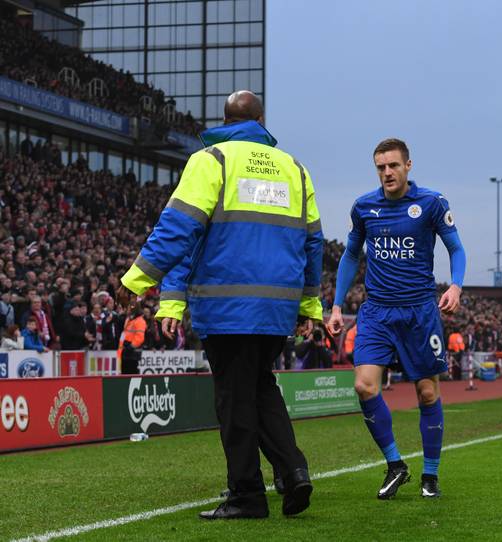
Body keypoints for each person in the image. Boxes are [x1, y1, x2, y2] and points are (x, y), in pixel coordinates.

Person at [117, 91, 320, 519]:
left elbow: (179, 230)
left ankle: (248, 494)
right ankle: (293, 471)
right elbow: (314, 243)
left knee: (235, 401)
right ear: (261, 120)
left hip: (227, 307)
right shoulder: (296, 170)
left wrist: (137, 280)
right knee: (260, 388)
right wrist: (309, 307)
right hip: (276, 309)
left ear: (223, 119)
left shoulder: (212, 160)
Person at [326, 138, 466, 500]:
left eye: (393, 165)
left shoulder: (431, 203)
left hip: (419, 311)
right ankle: (395, 464)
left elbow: (456, 247)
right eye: (380, 167)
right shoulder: (364, 207)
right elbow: (350, 256)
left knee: (426, 391)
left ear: (408, 165)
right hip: (376, 312)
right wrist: (338, 305)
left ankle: (430, 474)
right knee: (364, 386)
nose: (387, 172)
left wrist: (455, 286)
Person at [117, 304, 146, 375]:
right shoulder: (130, 320)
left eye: (129, 309)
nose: (127, 310)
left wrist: (130, 347)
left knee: (130, 375)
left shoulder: (139, 321)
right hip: (126, 353)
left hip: (132, 353)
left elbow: (140, 338)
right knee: (125, 374)